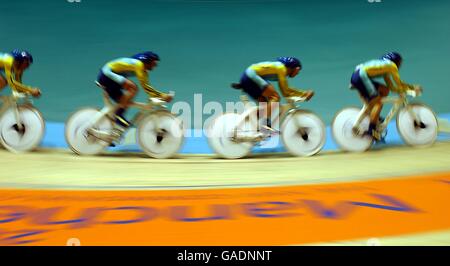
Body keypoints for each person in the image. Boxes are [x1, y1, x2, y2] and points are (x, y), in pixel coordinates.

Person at [350, 52, 422, 141]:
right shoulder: (392, 66)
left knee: (384, 90)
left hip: (358, 76)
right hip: (361, 77)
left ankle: (374, 115)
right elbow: (399, 84)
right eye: (399, 63)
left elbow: (391, 87)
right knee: (378, 102)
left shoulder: (385, 67)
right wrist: (413, 88)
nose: (399, 66)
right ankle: (371, 130)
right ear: (395, 61)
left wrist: (404, 90)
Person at [231, 57, 314, 133]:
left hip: (248, 77)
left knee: (265, 104)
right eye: (298, 70)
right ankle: (264, 123)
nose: (298, 73)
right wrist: (304, 93)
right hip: (251, 76)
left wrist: (302, 94)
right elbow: (285, 91)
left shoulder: (279, 69)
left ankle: (257, 127)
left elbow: (286, 90)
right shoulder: (281, 69)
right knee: (275, 97)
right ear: (295, 68)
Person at [96, 51, 173, 130]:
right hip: (106, 74)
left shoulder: (144, 72)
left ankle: (109, 138)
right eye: (154, 63)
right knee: (133, 88)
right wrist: (162, 95)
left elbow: (148, 88)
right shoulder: (139, 64)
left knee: (124, 101)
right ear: (147, 61)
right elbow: (145, 86)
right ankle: (118, 115)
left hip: (111, 80)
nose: (155, 66)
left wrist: (159, 95)